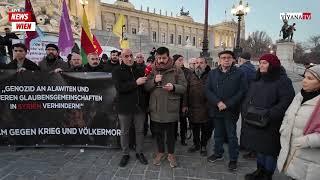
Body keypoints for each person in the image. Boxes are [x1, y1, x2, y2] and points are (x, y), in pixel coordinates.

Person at [241, 54, 295, 180]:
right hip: (255, 120)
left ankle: (267, 174)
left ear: (273, 65)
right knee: (259, 148)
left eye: (264, 63)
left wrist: (269, 114)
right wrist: (245, 111)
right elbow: (248, 97)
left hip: (271, 123)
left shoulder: (283, 80)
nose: (261, 65)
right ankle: (259, 171)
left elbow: (286, 101)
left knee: (269, 151)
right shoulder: (258, 79)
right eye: (260, 63)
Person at [145, 47, 187, 168]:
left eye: (164, 58)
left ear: (168, 56)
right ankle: (161, 152)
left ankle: (171, 154)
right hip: (156, 106)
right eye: (159, 58)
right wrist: (153, 81)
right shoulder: (151, 69)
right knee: (158, 133)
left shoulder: (177, 69)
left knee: (170, 134)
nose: (161, 60)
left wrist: (174, 87)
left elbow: (184, 87)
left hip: (171, 106)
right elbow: (146, 87)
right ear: (156, 57)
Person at [206, 50, 247, 171]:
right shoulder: (213, 73)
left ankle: (233, 158)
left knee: (231, 136)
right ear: (219, 60)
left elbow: (242, 91)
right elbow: (208, 90)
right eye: (223, 57)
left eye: (229, 57)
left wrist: (228, 104)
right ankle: (218, 153)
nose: (226, 59)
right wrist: (217, 102)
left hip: (231, 110)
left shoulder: (240, 73)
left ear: (233, 60)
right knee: (218, 134)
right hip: (216, 109)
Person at [278, 65, 320, 180]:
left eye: (310, 79)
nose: (304, 81)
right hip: (294, 152)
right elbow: (288, 115)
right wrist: (284, 129)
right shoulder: (300, 96)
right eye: (304, 77)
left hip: (312, 158)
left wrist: (307, 141)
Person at [112, 48, 148, 167]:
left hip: (139, 107)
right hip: (124, 107)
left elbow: (144, 89)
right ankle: (125, 154)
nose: (129, 58)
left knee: (140, 131)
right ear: (121, 58)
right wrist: (135, 83)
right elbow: (120, 88)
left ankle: (139, 152)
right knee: (125, 132)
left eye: (131, 55)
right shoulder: (117, 71)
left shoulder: (139, 69)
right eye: (126, 56)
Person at [184, 57, 212, 156]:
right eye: (196, 63)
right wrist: (185, 105)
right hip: (193, 107)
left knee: (206, 129)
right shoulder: (190, 76)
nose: (198, 65)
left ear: (206, 64)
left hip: (206, 108)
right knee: (195, 128)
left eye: (201, 63)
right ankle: (196, 144)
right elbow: (185, 92)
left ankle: (203, 145)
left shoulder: (211, 75)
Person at [238, 52, 257, 159]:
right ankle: (246, 145)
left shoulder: (243, 69)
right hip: (252, 99)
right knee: (248, 123)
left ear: (241, 59)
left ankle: (246, 146)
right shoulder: (252, 67)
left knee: (246, 124)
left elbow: (242, 86)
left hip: (246, 100)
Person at [173, 54, 192, 146]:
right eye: (179, 60)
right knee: (173, 120)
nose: (182, 62)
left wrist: (185, 104)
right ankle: (174, 135)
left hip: (183, 99)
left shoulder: (188, 72)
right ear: (174, 61)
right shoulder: (171, 71)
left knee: (183, 120)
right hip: (173, 99)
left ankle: (183, 138)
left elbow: (187, 89)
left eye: (182, 60)